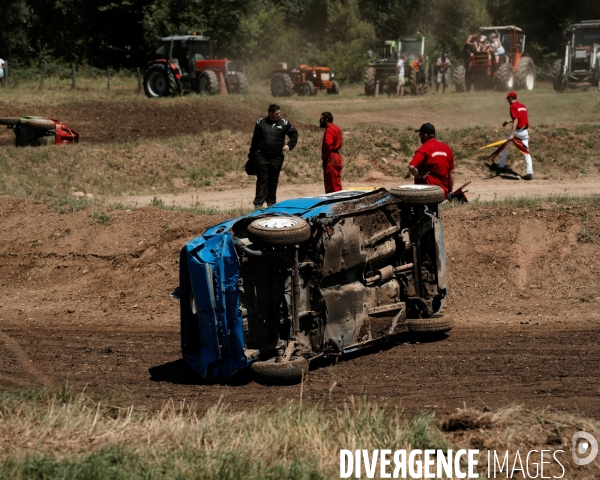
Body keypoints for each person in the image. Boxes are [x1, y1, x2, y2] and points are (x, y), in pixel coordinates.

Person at [249, 104, 298, 208]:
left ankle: (271, 204)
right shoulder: (260, 123)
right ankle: (258, 204)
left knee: (273, 179)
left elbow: (294, 134)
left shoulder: (284, 123)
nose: (279, 115)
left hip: (277, 157)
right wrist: (251, 156)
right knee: (262, 179)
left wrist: (289, 145)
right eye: (276, 113)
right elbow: (255, 140)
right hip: (262, 156)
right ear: (270, 113)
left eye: (279, 113)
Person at [409, 123, 455, 198]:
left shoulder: (423, 149)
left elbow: (412, 167)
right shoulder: (447, 149)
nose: (419, 137)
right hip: (442, 193)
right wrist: (449, 191)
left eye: (420, 135)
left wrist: (419, 176)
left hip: (426, 194)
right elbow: (451, 172)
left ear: (425, 135)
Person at [497, 91, 534, 180]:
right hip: (525, 132)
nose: (508, 101)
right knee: (526, 152)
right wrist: (509, 121)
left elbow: (516, 121)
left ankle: (501, 166)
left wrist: (512, 134)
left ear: (510, 98)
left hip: (517, 132)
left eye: (508, 99)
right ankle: (530, 172)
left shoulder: (512, 107)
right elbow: (521, 118)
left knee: (505, 146)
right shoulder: (523, 106)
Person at [320, 112, 343, 193]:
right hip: (337, 157)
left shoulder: (329, 129)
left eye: (321, 119)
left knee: (331, 182)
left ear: (326, 119)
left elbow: (328, 143)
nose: (320, 120)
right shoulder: (337, 128)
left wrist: (325, 155)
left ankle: (333, 201)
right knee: (336, 180)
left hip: (331, 158)